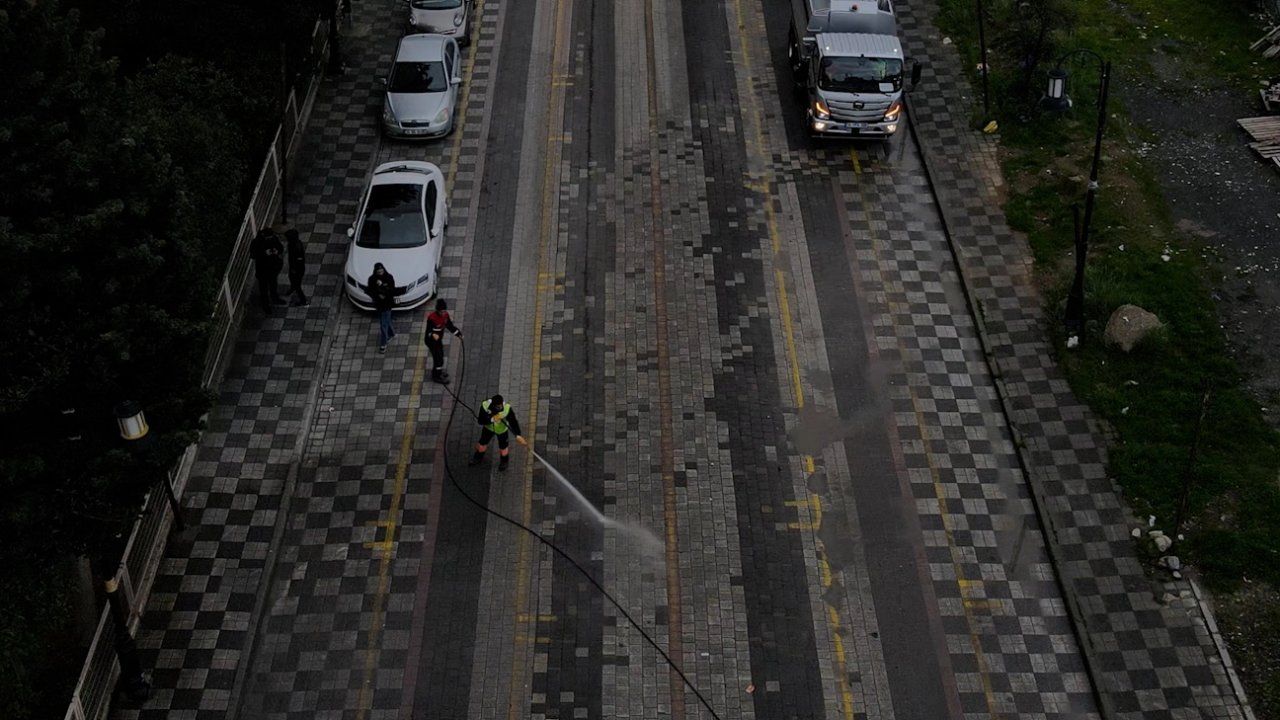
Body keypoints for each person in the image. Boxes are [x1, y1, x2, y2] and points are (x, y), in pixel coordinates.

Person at [468, 394, 527, 471]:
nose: (500, 408)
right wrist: (491, 419)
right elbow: (481, 420)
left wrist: (518, 435)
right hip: (488, 428)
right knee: (482, 444)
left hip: (502, 430)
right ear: (493, 405)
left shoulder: (507, 408)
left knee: (503, 448)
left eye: (501, 406)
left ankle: (504, 461)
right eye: (498, 407)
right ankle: (478, 457)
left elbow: (513, 422)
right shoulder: (485, 405)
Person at [424, 299, 462, 384]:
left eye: (444, 311)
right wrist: (434, 336)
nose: (443, 313)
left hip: (438, 340)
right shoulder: (432, 318)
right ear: (437, 311)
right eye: (441, 312)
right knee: (438, 358)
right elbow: (428, 332)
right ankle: (436, 376)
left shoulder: (445, 316)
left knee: (440, 356)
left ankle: (438, 371)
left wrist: (458, 334)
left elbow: (450, 326)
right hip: (431, 341)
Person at [250, 228, 286, 313]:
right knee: (263, 289)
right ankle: (265, 305)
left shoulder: (273, 238)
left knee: (273, 284)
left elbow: (280, 247)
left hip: (273, 268)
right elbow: (253, 255)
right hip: (262, 270)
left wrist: (277, 251)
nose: (270, 239)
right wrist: (264, 253)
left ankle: (275, 298)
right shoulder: (256, 242)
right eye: (268, 238)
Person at [368, 263, 398, 352]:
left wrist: (382, 286)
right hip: (378, 304)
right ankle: (392, 333)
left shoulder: (389, 278)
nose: (380, 272)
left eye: (381, 270)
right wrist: (377, 295)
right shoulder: (372, 279)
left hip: (387, 304)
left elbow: (392, 290)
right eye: (378, 271)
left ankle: (383, 343)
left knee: (383, 325)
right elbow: (370, 291)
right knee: (386, 320)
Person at [285, 228, 309, 306]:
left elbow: (300, 260)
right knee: (291, 277)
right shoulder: (292, 244)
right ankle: (293, 288)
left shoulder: (296, 246)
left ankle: (303, 300)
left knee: (297, 285)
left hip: (298, 269)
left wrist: (294, 269)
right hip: (293, 267)